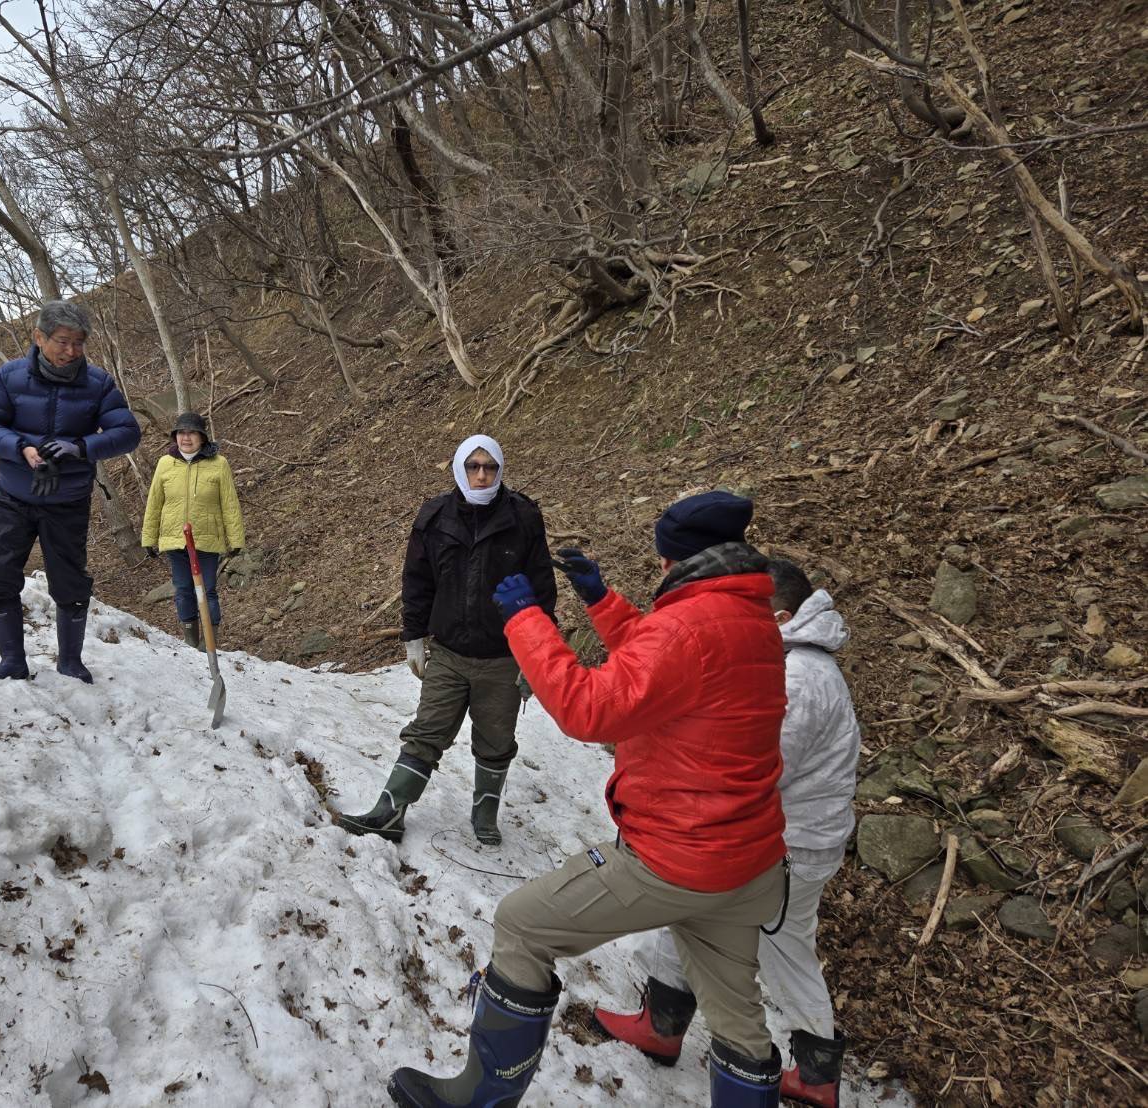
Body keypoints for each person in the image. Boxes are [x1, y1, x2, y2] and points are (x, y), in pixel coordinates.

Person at [387, 491, 790, 1108]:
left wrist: (527, 621)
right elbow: (665, 666)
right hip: (746, 859)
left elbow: (591, 708)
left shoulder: (689, 625)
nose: (660, 571)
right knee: (738, 1020)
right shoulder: (747, 615)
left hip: (677, 856)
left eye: (663, 562)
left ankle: (478, 1100)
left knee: (521, 924)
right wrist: (603, 604)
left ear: (677, 562)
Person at [593, 558, 860, 1108]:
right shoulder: (784, 662)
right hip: (757, 837)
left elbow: (756, 763)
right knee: (687, 916)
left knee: (785, 950)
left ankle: (815, 1073)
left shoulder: (802, 678)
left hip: (791, 848)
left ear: (780, 616)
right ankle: (662, 1025)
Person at [340, 434, 556, 848]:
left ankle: (485, 813)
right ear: (459, 468)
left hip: (504, 656)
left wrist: (538, 654)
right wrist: (413, 636)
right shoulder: (436, 516)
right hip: (450, 652)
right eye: (473, 466)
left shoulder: (523, 516)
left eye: (488, 467)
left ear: (499, 470)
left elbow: (542, 588)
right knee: (427, 731)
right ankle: (391, 811)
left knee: (496, 740)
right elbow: (418, 580)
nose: (480, 475)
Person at [0, 301, 141, 685]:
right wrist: (20, 448)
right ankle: (12, 660)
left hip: (67, 501)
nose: (71, 351)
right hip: (14, 495)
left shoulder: (98, 383)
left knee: (70, 583)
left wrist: (80, 448)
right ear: (39, 338)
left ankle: (70, 662)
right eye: (63, 342)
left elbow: (128, 433)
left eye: (79, 344)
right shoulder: (9, 377)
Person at [139, 411, 245, 649]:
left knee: (207, 591)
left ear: (202, 437)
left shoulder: (219, 464)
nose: (186, 438)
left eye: (192, 433)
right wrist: (149, 537)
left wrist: (235, 539)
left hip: (207, 539)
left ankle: (210, 641)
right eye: (181, 433)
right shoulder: (165, 463)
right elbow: (155, 502)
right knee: (183, 589)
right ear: (175, 437)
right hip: (175, 540)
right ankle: (190, 640)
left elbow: (229, 504)